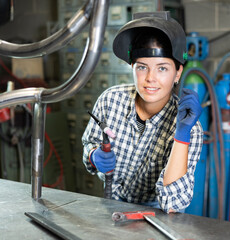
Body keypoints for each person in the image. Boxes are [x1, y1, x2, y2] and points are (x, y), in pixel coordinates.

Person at [82, 11, 203, 213]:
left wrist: (181, 136)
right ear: (132, 67)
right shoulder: (110, 100)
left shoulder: (190, 128)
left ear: (178, 72)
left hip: (159, 217)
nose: (150, 78)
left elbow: (173, 203)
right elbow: (90, 144)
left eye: (162, 68)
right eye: (142, 67)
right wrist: (94, 156)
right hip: (113, 207)